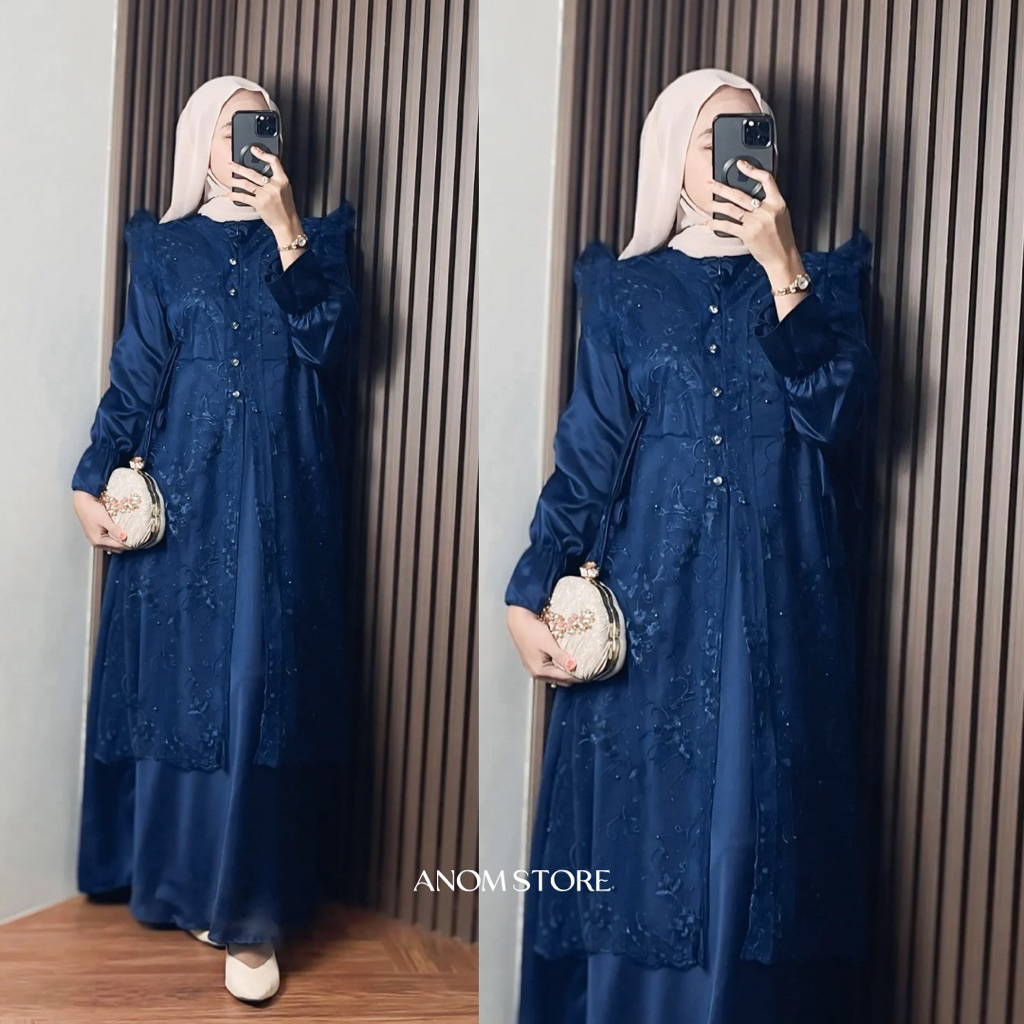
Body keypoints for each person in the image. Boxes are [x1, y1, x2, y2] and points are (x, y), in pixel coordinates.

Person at [504, 68, 876, 1024]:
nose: (733, 161)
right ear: (672, 157)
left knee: (756, 840)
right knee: (644, 836)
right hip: (648, 601)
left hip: (776, 607)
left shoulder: (822, 284)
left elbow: (841, 420)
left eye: (753, 139)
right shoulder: (626, 292)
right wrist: (529, 588)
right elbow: (589, 456)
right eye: (714, 142)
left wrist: (784, 267)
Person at [70, 75, 359, 1003]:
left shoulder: (317, 244)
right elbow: (137, 375)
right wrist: (90, 476)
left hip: (281, 501)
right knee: (184, 685)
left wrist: (287, 229)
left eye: (260, 132)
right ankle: (183, 881)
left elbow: (333, 346)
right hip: (182, 497)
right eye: (230, 133)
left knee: (256, 690)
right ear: (200, 145)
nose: (247, 150)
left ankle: (248, 910)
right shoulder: (165, 250)